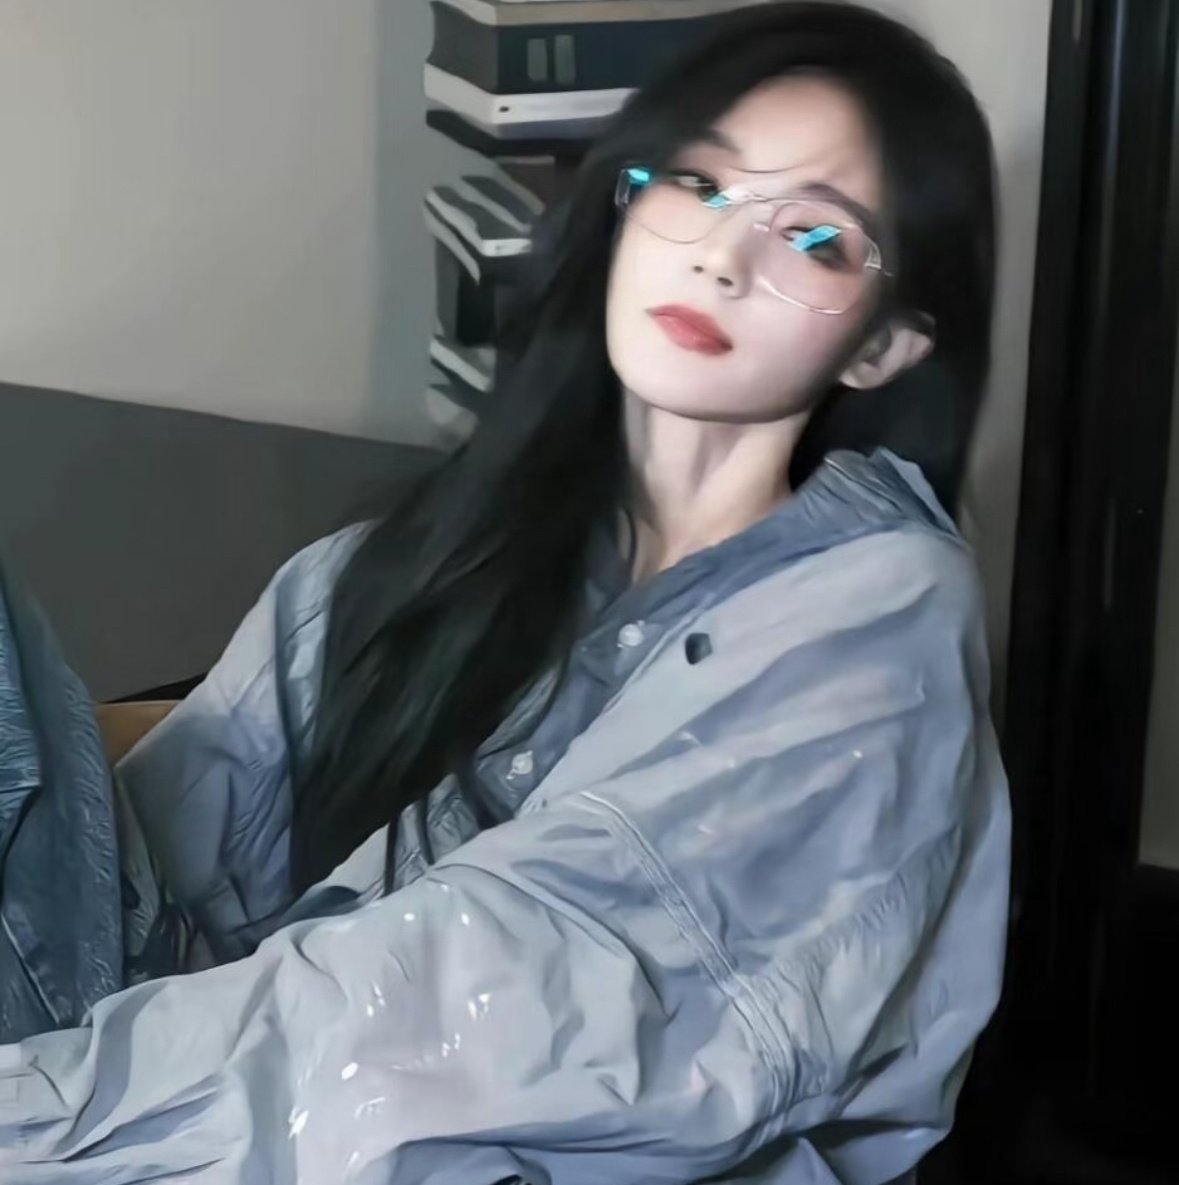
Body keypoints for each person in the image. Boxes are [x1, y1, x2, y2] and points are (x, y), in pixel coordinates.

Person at [0, 3, 1010, 1182]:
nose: (721, 256)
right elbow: (155, 852)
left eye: (816, 239)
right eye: (698, 182)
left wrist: (34, 1110)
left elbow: (485, 1006)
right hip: (176, 1075)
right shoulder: (418, 556)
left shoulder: (876, 619)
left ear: (884, 346)